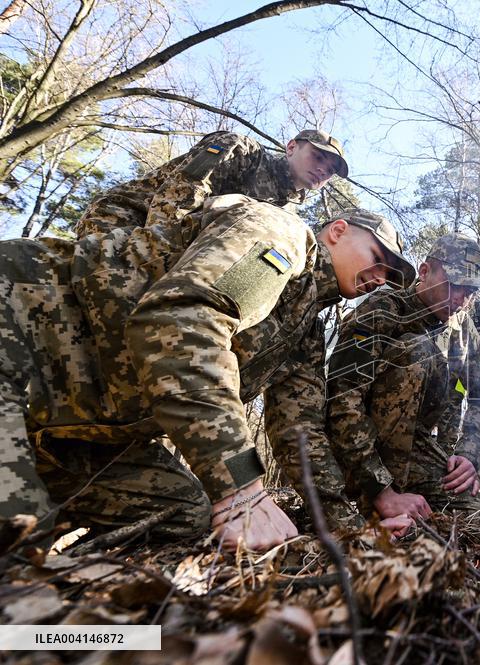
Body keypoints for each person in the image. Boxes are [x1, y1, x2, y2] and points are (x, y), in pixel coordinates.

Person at [0, 197, 415, 553]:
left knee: (182, 513)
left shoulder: (305, 331)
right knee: (19, 537)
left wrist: (349, 531)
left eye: (389, 278)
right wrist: (240, 486)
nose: (379, 279)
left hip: (73, 433)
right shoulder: (279, 236)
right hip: (17, 333)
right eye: (378, 260)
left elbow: (299, 431)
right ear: (338, 231)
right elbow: (183, 321)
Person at [325, 234, 480, 524]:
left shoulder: (463, 328)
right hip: (356, 451)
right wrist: (381, 490)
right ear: (425, 271)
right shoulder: (384, 309)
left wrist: (469, 453)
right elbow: (343, 399)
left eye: (471, 291)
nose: (461, 300)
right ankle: (374, 505)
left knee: (472, 517)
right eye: (453, 285)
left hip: (415, 449)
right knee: (419, 350)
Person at [75, 128, 349, 237]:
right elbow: (177, 197)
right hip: (123, 223)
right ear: (291, 147)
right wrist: (152, 261)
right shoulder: (242, 151)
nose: (324, 170)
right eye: (318, 157)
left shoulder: (285, 213)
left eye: (332, 169)